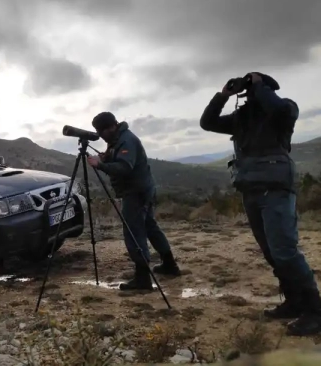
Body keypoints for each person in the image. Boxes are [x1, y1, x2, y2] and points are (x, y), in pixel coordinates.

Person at [200, 72, 321, 337]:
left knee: (285, 250)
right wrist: (223, 96)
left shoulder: (284, 108)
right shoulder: (242, 118)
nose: (249, 95)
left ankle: (315, 311)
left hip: (276, 189)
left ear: (264, 89)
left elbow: (276, 108)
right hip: (250, 190)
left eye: (252, 89)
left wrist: (259, 84)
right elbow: (207, 123)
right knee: (271, 252)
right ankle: (294, 301)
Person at [87, 111, 181, 291]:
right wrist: (108, 157)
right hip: (143, 189)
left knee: (134, 232)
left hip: (136, 192)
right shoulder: (118, 139)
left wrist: (100, 165)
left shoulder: (126, 140)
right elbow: (122, 159)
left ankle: (143, 280)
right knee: (150, 227)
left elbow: (125, 167)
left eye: (102, 131)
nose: (100, 136)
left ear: (112, 126)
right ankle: (170, 265)